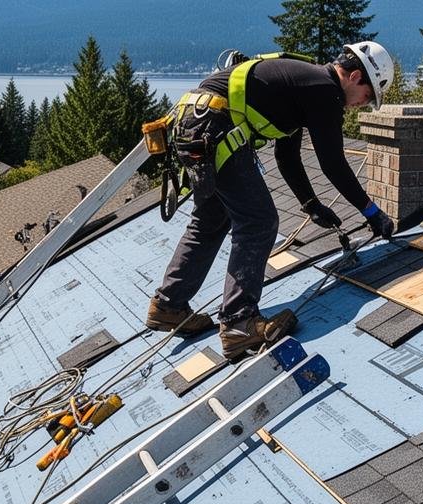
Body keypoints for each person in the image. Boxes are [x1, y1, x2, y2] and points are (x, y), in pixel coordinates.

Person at [147, 41, 399, 360]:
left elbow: (287, 155)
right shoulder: (324, 90)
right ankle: (239, 323)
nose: (362, 105)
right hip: (215, 126)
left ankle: (168, 305)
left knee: (211, 220)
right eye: (368, 96)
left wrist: (310, 205)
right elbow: (333, 163)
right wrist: (372, 211)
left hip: (193, 120)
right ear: (353, 77)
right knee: (260, 222)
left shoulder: (303, 84)